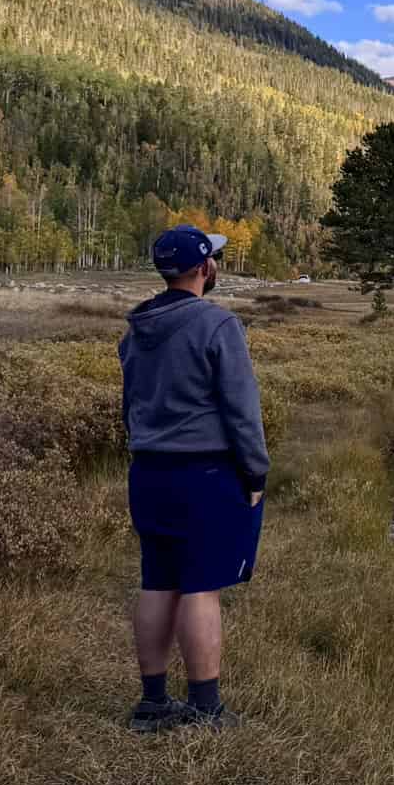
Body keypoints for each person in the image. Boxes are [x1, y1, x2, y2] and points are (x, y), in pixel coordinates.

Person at [118, 224, 269, 732]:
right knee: (201, 587)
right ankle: (206, 708)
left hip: (149, 473)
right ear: (205, 267)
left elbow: (129, 407)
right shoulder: (218, 326)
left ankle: (153, 702)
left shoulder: (136, 331)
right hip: (204, 474)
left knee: (159, 582)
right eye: (215, 259)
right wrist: (255, 472)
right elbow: (243, 412)